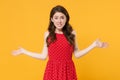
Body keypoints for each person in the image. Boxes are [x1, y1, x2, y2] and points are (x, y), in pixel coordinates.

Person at [12, 5, 108, 80]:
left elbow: (77, 54)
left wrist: (93, 45)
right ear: (52, 19)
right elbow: (43, 56)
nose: (59, 20)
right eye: (56, 17)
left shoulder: (72, 33)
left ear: (66, 19)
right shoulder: (47, 34)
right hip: (52, 71)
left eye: (62, 17)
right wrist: (24, 51)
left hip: (68, 71)